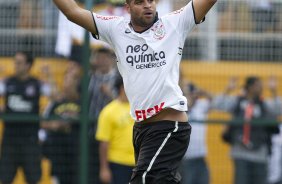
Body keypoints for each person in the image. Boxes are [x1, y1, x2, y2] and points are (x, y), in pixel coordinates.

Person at [52, 0, 217, 183]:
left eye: (151, 1)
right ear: (128, 7)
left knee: (143, 179)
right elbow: (72, 11)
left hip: (169, 126)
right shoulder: (115, 29)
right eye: (140, 2)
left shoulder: (175, 23)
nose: (147, 5)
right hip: (141, 128)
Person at [213, 76, 282, 184]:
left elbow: (279, 110)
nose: (260, 88)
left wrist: (274, 91)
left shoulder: (264, 104)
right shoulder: (238, 102)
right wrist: (228, 89)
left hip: (260, 154)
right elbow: (218, 104)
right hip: (240, 153)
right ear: (249, 87)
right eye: (257, 85)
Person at [0, 51, 52, 184]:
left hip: (30, 141)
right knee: (5, 178)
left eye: (19, 62)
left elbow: (56, 96)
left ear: (28, 65)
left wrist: (49, 75)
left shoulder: (37, 84)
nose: (15, 65)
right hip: (10, 140)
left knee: (33, 179)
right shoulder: (7, 82)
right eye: (15, 62)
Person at [40, 62, 81, 184]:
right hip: (58, 152)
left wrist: (72, 119)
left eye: (71, 79)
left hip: (76, 153)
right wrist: (54, 124)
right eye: (66, 79)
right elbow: (42, 122)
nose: (67, 83)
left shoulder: (82, 101)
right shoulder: (57, 102)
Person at [96, 74, 135, 184]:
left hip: (139, 163)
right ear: (122, 87)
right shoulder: (108, 111)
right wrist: (104, 168)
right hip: (118, 163)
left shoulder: (139, 108)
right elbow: (104, 142)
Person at [180, 83, 212, 184]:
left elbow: (212, 100)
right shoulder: (180, 107)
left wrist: (203, 92)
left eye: (192, 93)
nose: (191, 96)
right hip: (186, 158)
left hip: (200, 156)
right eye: (188, 94)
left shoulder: (200, 105)